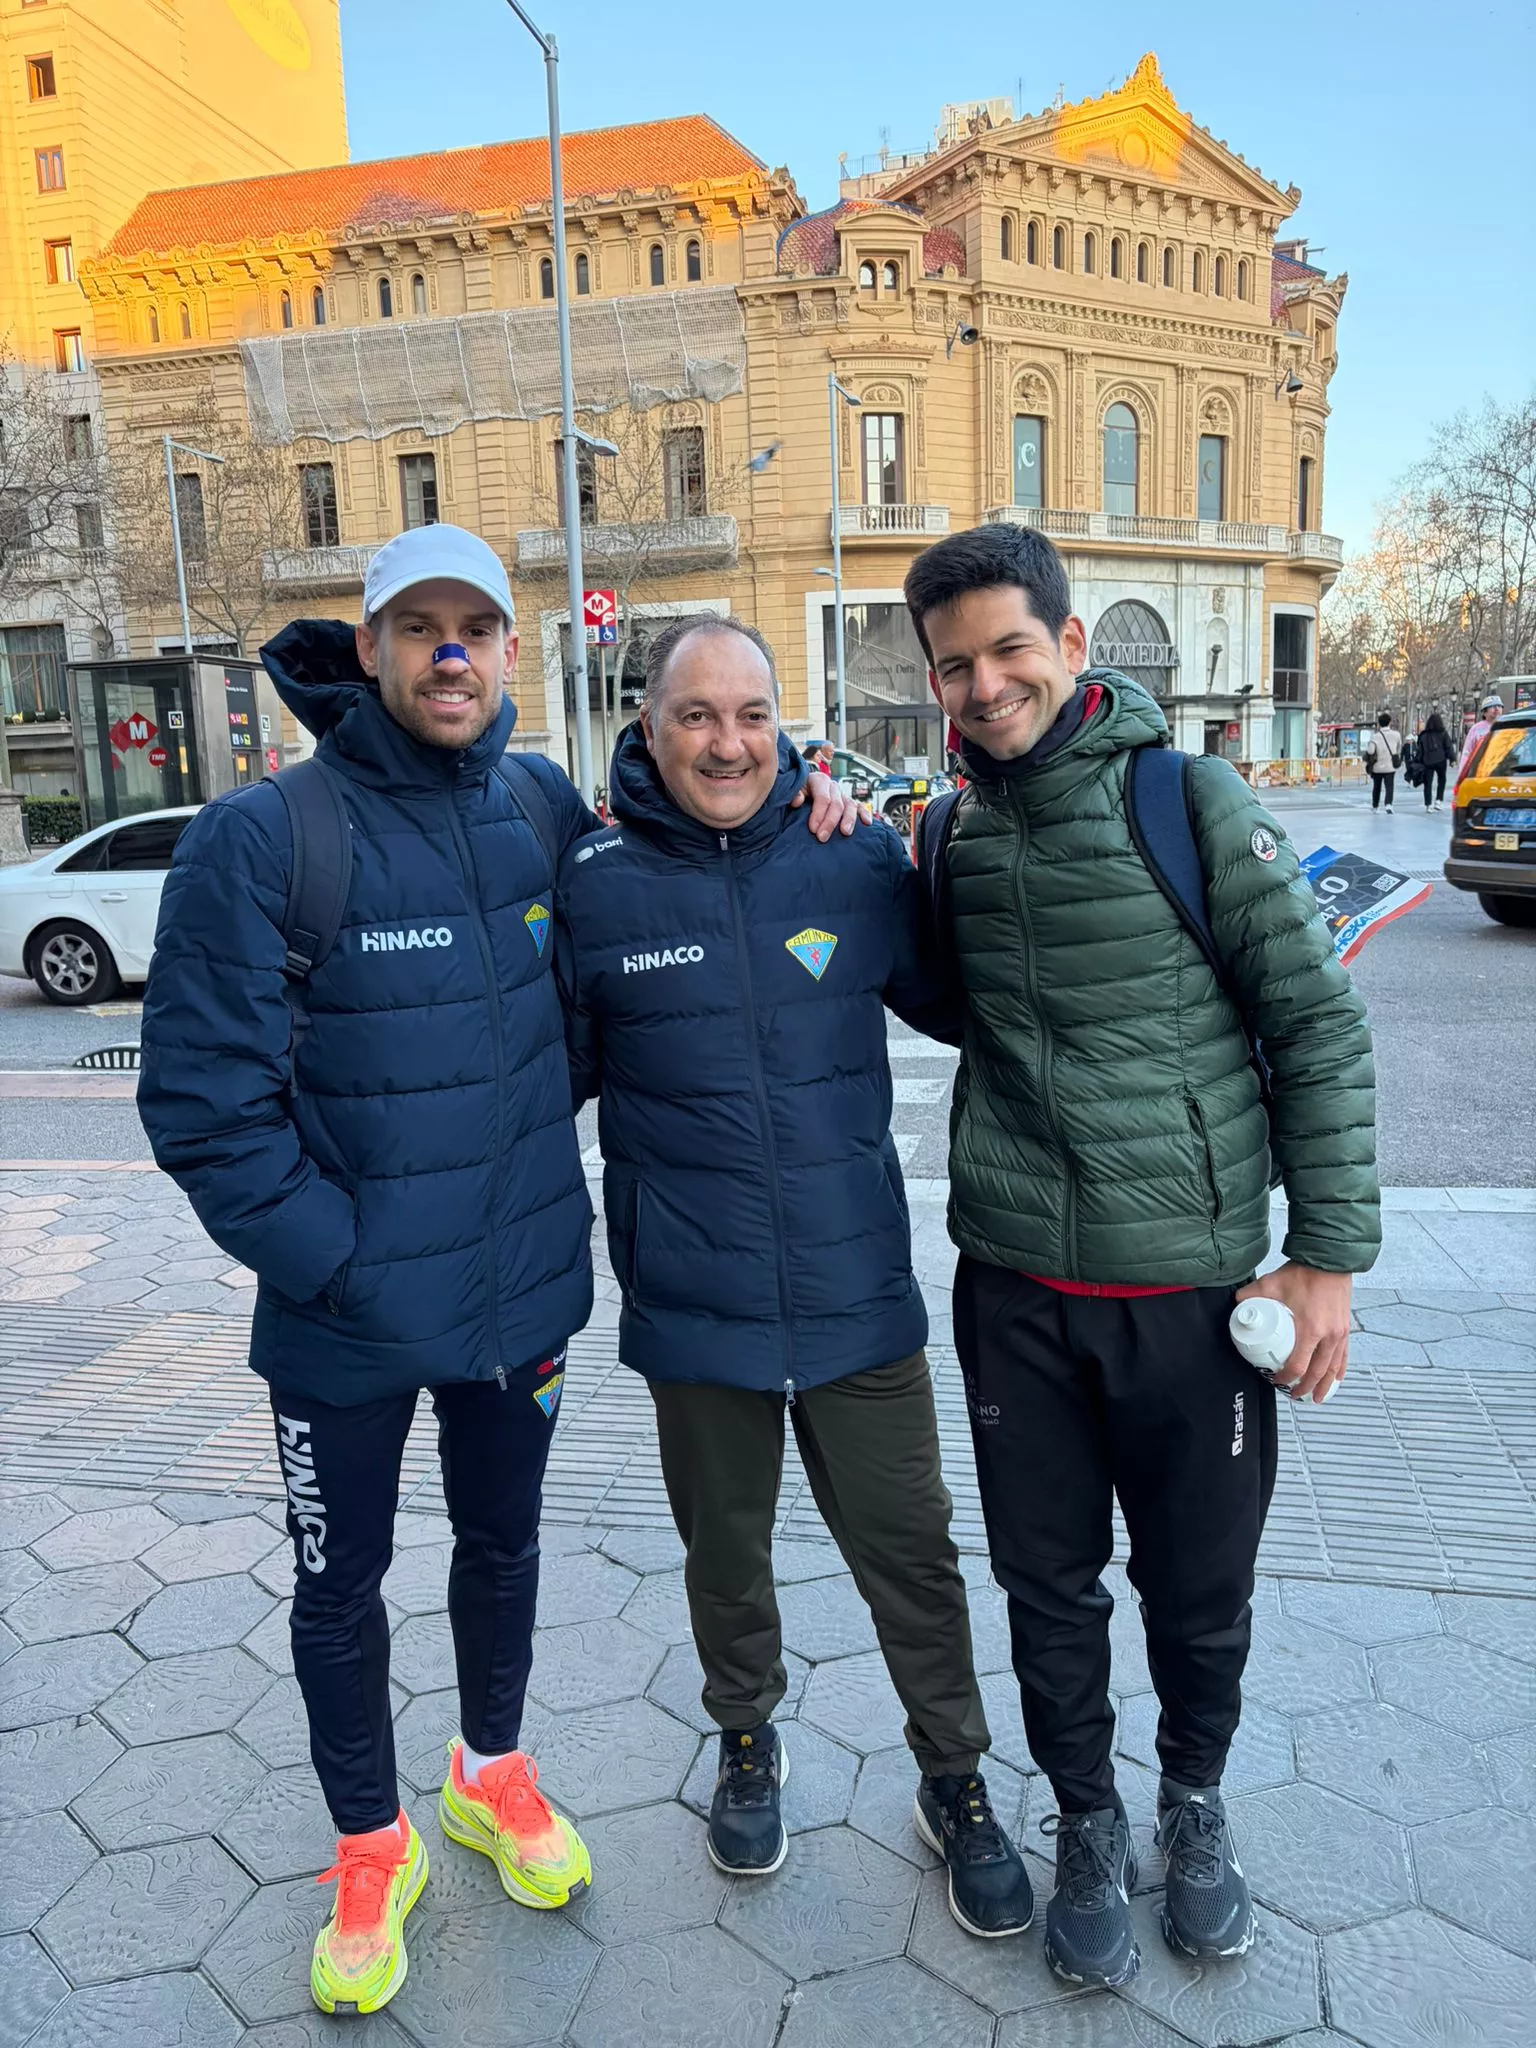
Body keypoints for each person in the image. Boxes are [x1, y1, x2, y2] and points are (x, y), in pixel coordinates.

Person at [136, 526, 858, 2017]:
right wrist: (339, 1261)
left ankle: (488, 1771)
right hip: (342, 1320)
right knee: (339, 1585)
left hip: (519, 1296)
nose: (451, 653)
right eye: (420, 628)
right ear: (371, 648)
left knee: (503, 1547)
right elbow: (202, 1108)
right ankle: (369, 1841)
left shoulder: (539, 807)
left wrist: (809, 801)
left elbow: (657, 897)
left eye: (475, 626)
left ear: (512, 650)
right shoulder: (264, 838)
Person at [903, 525, 1380, 1991]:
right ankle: (1090, 1818)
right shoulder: (948, 835)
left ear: (1070, 643)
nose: (987, 685)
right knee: (1047, 1587)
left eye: (1010, 649)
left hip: (1189, 1295)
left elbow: (1316, 1022)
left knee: (1198, 1585)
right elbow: (950, 1001)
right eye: (955, 666)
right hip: (1016, 1292)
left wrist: (1327, 1256)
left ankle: (1193, 1799)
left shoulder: (1188, 797)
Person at [555, 614, 1034, 1941]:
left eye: (753, 715)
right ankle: (747, 1741)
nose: (728, 743)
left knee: (914, 1554)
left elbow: (977, 1003)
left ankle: (953, 1775)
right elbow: (540, 1079)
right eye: (697, 715)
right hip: (692, 1303)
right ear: (648, 726)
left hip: (853, 1290)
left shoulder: (853, 855)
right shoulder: (593, 883)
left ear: (787, 725)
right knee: (727, 1555)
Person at [1456, 691, 1505, 780]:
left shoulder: (1508, 726)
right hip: (1481, 772)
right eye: (1492, 706)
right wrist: (1462, 773)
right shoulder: (1476, 729)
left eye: (1499, 706)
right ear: (1484, 712)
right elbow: (1467, 752)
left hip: (1503, 772)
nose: (1496, 709)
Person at [1362, 710, 1402, 811]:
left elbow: (1370, 751)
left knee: (1377, 787)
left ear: (1379, 723)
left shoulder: (1375, 736)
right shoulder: (1396, 735)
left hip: (1377, 766)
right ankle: (1388, 804)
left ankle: (1375, 806)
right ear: (1389, 722)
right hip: (1390, 765)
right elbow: (1398, 748)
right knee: (1389, 786)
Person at [1417, 710, 1453, 810]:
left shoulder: (1423, 735)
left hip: (1428, 761)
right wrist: (1452, 759)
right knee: (1442, 780)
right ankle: (1438, 800)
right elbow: (1448, 747)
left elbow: (1420, 750)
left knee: (1428, 783)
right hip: (1441, 760)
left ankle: (1428, 804)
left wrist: (1419, 761)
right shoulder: (1443, 733)